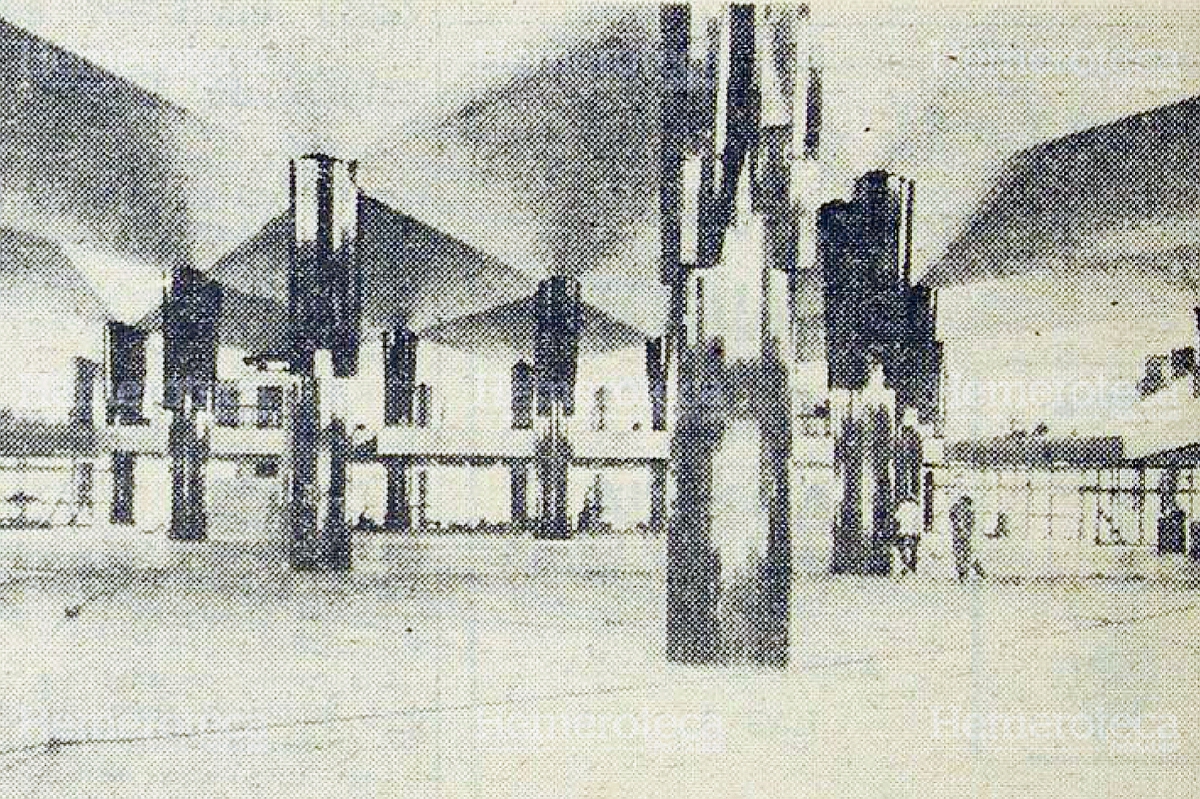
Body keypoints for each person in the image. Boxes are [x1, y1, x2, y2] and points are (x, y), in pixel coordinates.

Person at [949, 495, 985, 582]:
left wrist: (965, 531)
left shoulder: (969, 512)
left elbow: (970, 524)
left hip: (966, 536)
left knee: (967, 555)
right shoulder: (956, 509)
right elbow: (952, 518)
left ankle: (972, 572)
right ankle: (962, 574)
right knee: (960, 554)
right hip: (958, 536)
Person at [895, 498, 922, 575]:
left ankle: (906, 566)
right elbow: (919, 521)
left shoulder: (902, 506)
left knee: (905, 549)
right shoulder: (916, 508)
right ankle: (910, 567)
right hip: (913, 532)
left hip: (904, 531)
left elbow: (897, 518)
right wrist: (918, 531)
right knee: (912, 550)